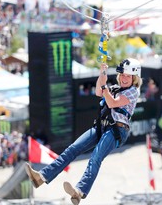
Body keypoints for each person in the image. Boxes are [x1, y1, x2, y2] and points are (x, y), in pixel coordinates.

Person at [25, 58, 142, 205]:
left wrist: (105, 87)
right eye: (123, 75)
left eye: (128, 76)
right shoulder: (115, 88)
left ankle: (80, 191)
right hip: (102, 126)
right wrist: (102, 74)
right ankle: (41, 177)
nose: (124, 78)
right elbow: (99, 91)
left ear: (134, 78)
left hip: (116, 130)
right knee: (72, 149)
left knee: (95, 158)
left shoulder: (133, 92)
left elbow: (112, 103)